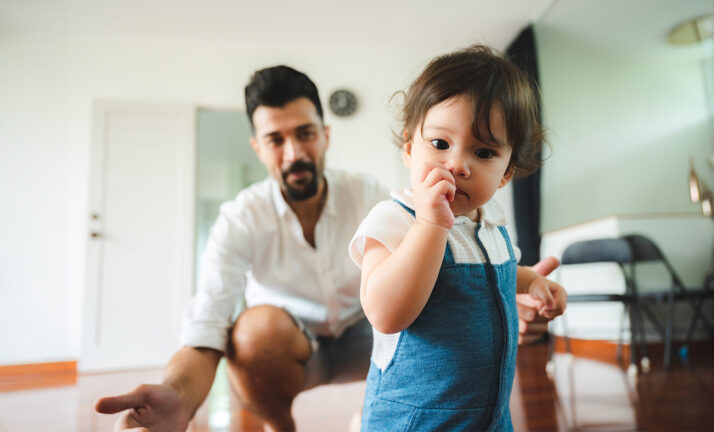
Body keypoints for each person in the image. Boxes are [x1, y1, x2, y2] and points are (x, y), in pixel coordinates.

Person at [94, 64, 564, 432]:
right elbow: (207, 324)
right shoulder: (244, 218)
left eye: (305, 134)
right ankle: (282, 424)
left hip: (380, 343)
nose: (294, 153)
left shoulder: (370, 192)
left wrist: (512, 292)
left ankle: (365, 411)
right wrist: (179, 397)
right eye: (277, 140)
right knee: (252, 332)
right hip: (305, 349)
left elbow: (468, 272)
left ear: (325, 135)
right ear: (259, 148)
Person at [348, 45, 567, 431]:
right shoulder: (395, 220)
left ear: (505, 173)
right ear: (410, 149)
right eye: (440, 144)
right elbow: (385, 313)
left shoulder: (491, 223)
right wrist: (430, 226)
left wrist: (531, 280)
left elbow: (494, 274)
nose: (458, 165)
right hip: (414, 417)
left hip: (488, 413)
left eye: (483, 152)